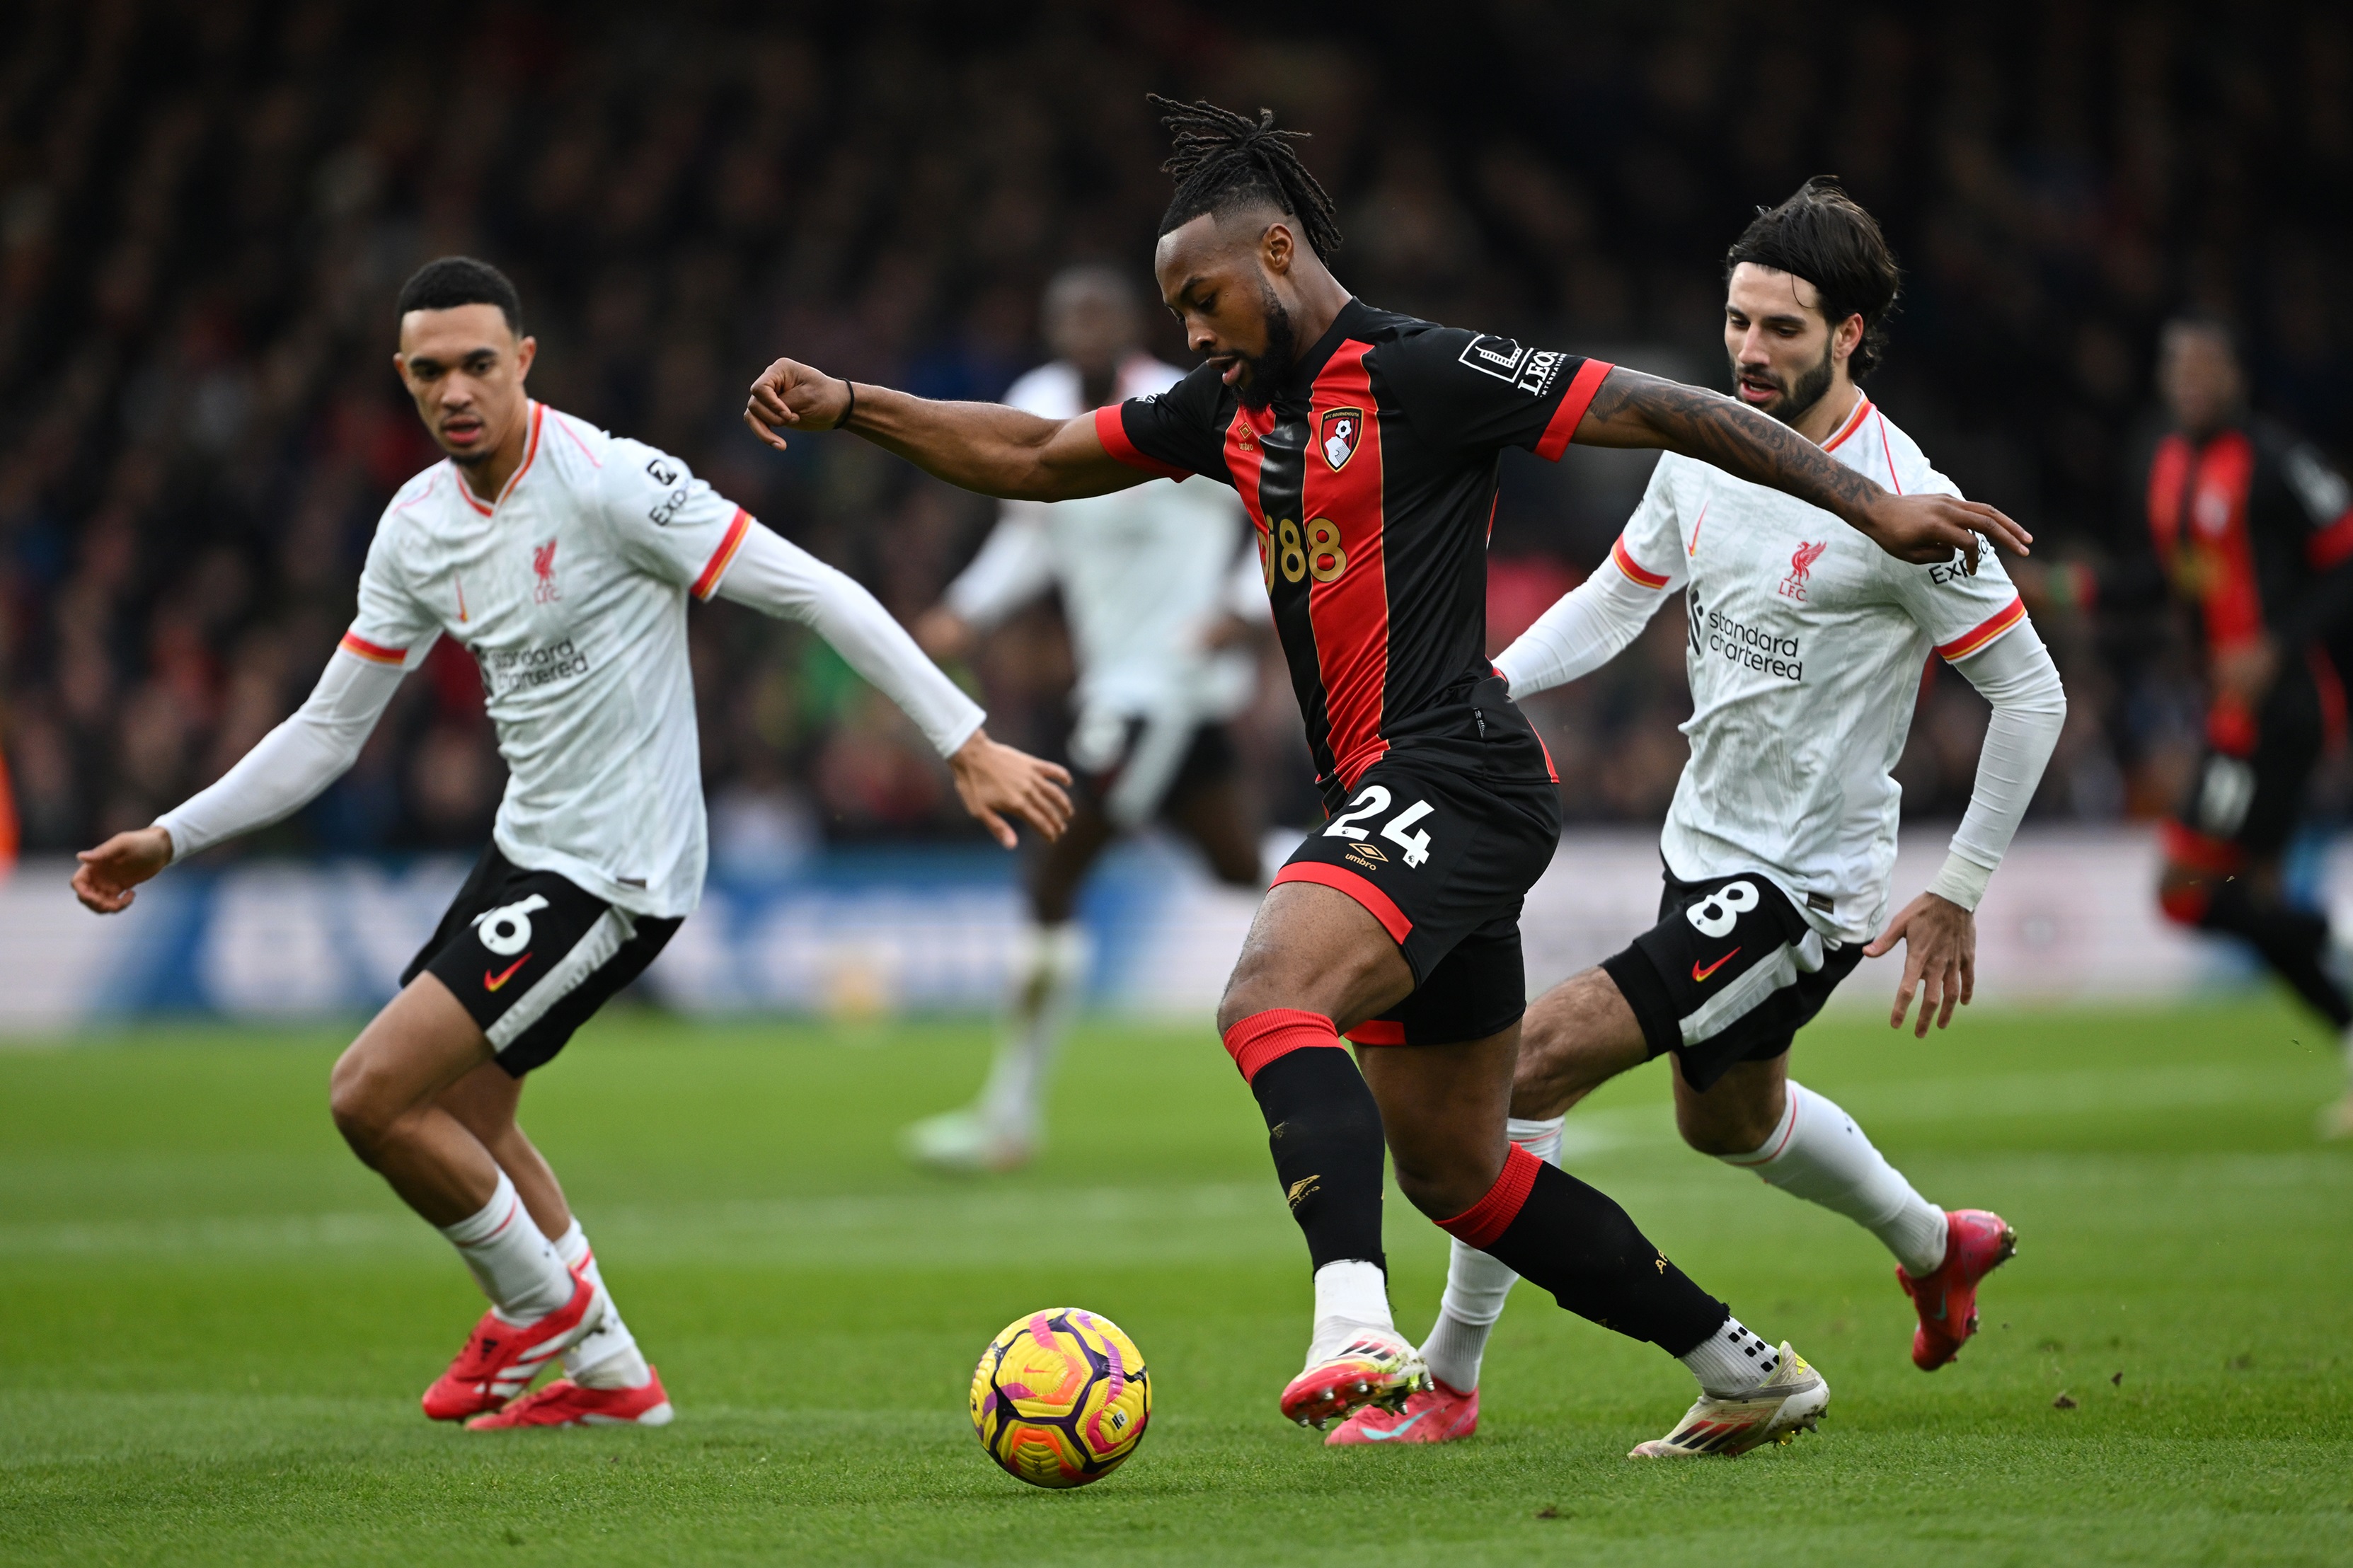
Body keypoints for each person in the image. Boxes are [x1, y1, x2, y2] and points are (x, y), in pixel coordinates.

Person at [745, 99, 2031, 1458]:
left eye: (1204, 295)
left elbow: (1665, 408)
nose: (1189, 327)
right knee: (1461, 1168)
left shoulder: (1422, 370)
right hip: (1403, 784)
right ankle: (1743, 1364)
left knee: (1266, 994)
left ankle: (1355, 1320)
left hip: (1455, 771)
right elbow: (1035, 454)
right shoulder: (1233, 412)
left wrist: (1870, 503)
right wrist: (850, 406)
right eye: (1174, 305)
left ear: (1281, 253)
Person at [71, 258, 1072, 1431]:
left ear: (524, 362)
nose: (457, 390)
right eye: (431, 371)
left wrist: (962, 738)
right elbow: (329, 729)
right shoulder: (417, 527)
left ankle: (540, 1309)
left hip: (619, 870)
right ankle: (613, 1378)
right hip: (528, 849)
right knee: (473, 1117)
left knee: (370, 1097)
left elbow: (815, 590)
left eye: (479, 365)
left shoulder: (611, 483)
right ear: (404, 378)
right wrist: (172, 837)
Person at [1330, 178, 2067, 1446]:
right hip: (1704, 848)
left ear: (1851, 334)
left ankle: (1447, 1382)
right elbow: (1620, 598)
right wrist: (1485, 686)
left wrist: (1958, 887)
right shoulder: (1705, 443)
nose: (1749, 351)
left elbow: (2032, 694)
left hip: (1800, 887)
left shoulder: (1904, 497)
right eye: (1738, 321)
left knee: (1528, 1064)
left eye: (1784, 330)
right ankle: (1936, 1245)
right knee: (1724, 1117)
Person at [902, 264, 1267, 1172]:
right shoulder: (1039, 403)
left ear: (1132, 324)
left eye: (1101, 312)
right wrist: (964, 609)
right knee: (1240, 869)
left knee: (1051, 877)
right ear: (1053, 327)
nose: (1085, 327)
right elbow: (1031, 538)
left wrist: (1239, 605)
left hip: (1169, 685)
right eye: (1070, 314)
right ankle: (1399, 922)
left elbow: (1278, 500)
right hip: (1120, 690)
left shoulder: (1181, 405)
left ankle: (1008, 1119)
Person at [2040, 318, 2353, 1139]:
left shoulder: (2279, 462)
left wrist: (2277, 644)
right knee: (2231, 898)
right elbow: (2158, 583)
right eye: (2178, 366)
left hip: (2282, 710)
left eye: (2205, 367)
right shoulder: (2164, 460)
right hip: (2230, 713)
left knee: (2187, 891)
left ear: (2235, 376)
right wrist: (2063, 591)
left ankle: (2333, 939)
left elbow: (2344, 558)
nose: (2191, 382)